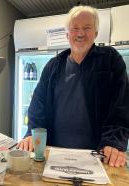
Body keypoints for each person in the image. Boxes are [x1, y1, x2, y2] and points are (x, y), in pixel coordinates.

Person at [17, 5, 129, 167]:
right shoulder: (53, 66)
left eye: (87, 28)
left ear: (96, 33)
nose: (80, 33)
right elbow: (38, 107)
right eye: (75, 28)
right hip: (54, 156)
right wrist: (32, 134)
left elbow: (122, 107)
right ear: (67, 34)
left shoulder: (111, 61)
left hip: (98, 156)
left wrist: (113, 142)